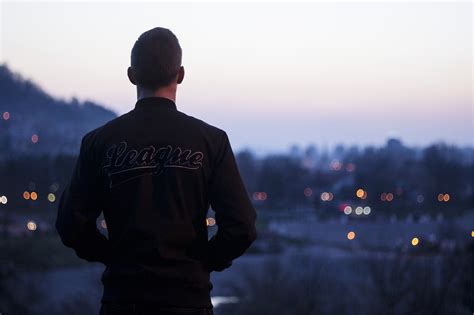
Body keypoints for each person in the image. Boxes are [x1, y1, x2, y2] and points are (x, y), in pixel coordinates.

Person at [55, 27, 258, 315]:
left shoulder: (99, 142)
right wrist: (203, 262)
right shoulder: (212, 141)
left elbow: (70, 225)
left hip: (122, 300)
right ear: (181, 74)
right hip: (189, 301)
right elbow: (242, 227)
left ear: (131, 75)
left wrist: (112, 257)